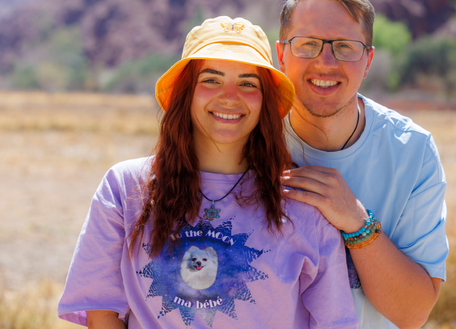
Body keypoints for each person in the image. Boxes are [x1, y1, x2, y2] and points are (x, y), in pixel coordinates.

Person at [58, 16, 359, 329]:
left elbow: (334, 321)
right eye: (211, 80)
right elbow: (103, 312)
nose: (230, 96)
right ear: (186, 92)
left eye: (247, 83)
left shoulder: (303, 202)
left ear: (265, 100)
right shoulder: (126, 188)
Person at [276, 0, 448, 329]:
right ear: (281, 54)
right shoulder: (246, 139)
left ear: (367, 61)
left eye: (345, 46)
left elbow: (412, 313)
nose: (326, 63)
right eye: (308, 44)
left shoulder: (412, 152)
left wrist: (356, 221)